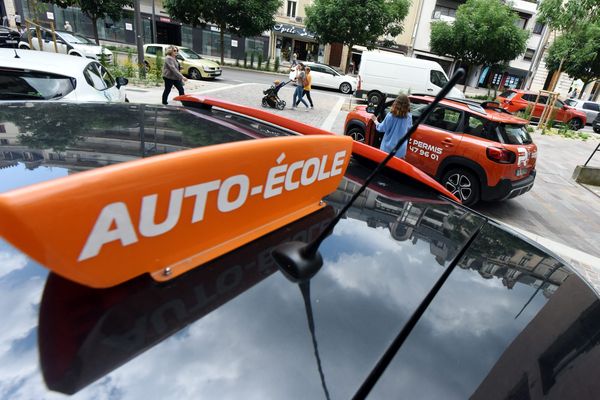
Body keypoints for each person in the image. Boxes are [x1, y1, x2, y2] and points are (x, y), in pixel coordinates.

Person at [371, 94, 412, 158]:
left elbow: (381, 128)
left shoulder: (390, 116)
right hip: (401, 151)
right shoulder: (409, 116)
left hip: (387, 151)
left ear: (396, 103)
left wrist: (375, 120)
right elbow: (409, 129)